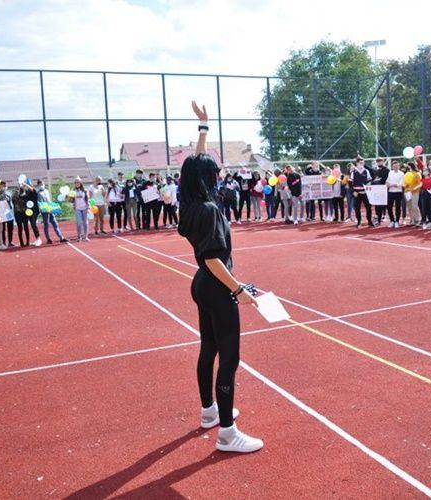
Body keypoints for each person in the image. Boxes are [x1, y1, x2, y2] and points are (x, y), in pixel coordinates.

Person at [177, 101, 263, 453]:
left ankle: (209, 412)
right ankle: (227, 433)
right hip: (215, 284)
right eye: (214, 172)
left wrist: (204, 127)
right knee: (229, 358)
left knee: (208, 349)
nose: (218, 175)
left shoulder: (188, 204)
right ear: (206, 179)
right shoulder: (210, 209)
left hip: (201, 284)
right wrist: (238, 288)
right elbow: (213, 258)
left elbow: (195, 164)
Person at [36, 180, 67, 244]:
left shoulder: (47, 191)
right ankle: (48, 239)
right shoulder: (38, 193)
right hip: (45, 211)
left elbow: (49, 200)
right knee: (46, 225)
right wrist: (42, 209)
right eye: (39, 185)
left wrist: (53, 207)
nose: (41, 185)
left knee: (55, 223)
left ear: (44, 184)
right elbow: (40, 203)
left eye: (42, 184)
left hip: (51, 210)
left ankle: (61, 238)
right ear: (38, 186)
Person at [350, 156, 374, 228]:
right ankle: (359, 222)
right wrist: (354, 191)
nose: (362, 164)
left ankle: (369, 221)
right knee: (357, 208)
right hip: (357, 193)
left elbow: (370, 180)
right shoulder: (353, 172)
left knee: (368, 207)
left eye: (363, 162)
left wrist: (367, 187)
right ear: (357, 163)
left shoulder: (366, 171)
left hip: (365, 193)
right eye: (360, 162)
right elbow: (350, 182)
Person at [386, 160, 404, 228]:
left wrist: (395, 185)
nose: (395, 167)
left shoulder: (401, 173)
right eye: (394, 166)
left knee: (398, 207)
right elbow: (387, 181)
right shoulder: (390, 173)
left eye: (396, 166)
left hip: (398, 192)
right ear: (392, 167)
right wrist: (388, 184)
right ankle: (392, 221)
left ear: (398, 166)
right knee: (389, 207)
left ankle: (397, 221)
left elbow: (401, 183)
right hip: (390, 192)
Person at [372, 158, 390, 224]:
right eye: (377, 161)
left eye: (380, 161)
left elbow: (385, 179)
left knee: (383, 203)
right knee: (377, 203)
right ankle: (378, 216)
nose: (378, 163)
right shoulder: (377, 170)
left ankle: (383, 216)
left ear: (383, 161)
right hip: (377, 189)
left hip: (383, 189)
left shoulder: (387, 170)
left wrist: (378, 180)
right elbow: (375, 179)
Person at [0, 181, 15, 247]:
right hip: (1, 213)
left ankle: (10, 242)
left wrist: (9, 202)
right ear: (0, 186)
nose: (5, 187)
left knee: (10, 227)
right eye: (3, 186)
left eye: (5, 186)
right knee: (2, 229)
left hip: (8, 212)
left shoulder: (9, 193)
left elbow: (12, 203)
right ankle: (3, 243)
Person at [73, 177, 90, 242]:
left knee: (85, 223)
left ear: (81, 183)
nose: (77, 183)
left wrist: (88, 207)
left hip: (85, 208)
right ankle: (79, 236)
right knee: (79, 223)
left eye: (78, 182)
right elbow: (71, 200)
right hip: (77, 208)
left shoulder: (85, 190)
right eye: (76, 182)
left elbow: (87, 199)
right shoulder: (73, 191)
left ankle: (85, 236)